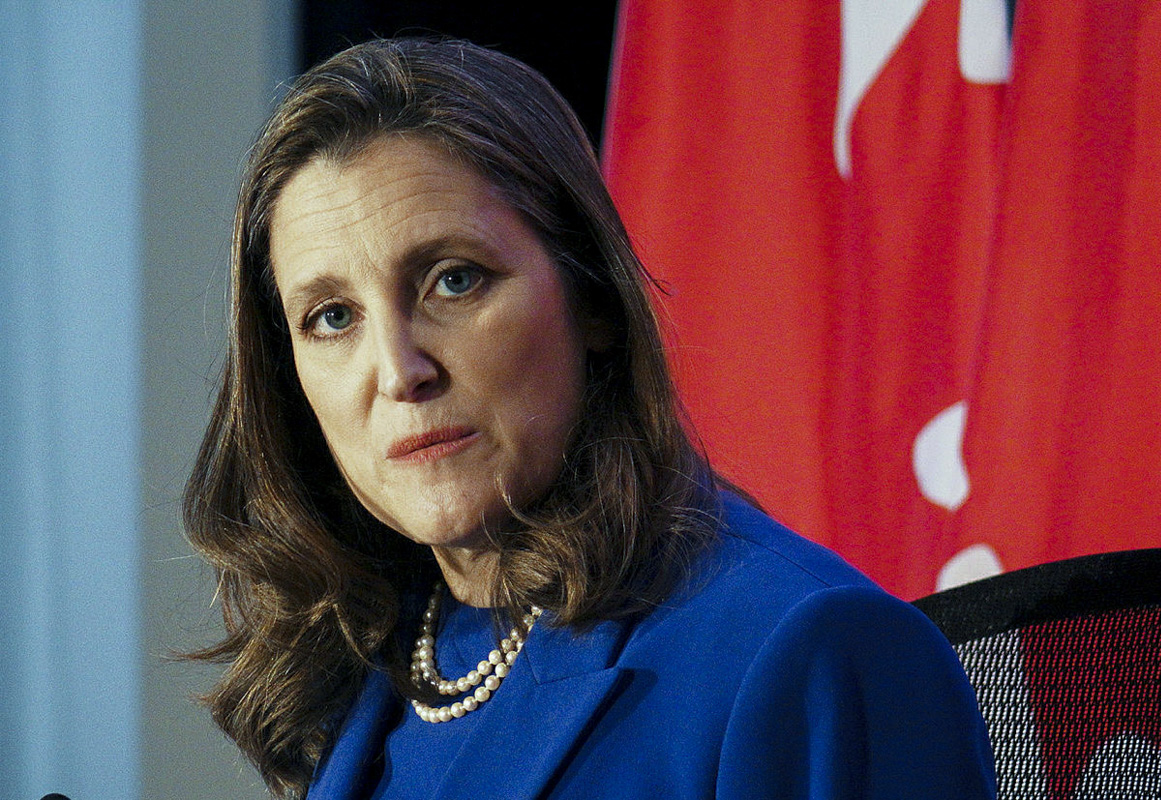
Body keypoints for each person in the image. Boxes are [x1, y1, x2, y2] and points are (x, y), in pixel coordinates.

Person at [184, 37, 996, 800]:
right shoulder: (364, 662)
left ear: (595, 300)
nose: (399, 371)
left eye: (453, 282)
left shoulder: (811, 651)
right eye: (331, 317)